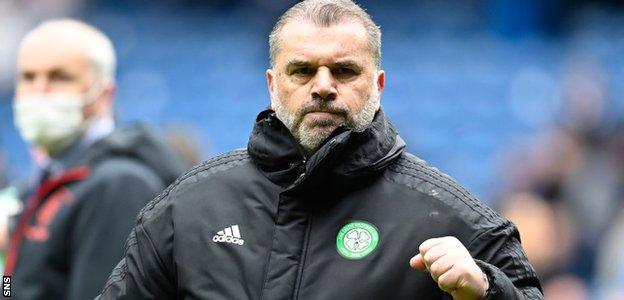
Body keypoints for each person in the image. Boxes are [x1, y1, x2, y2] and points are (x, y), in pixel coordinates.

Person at [98, 1, 543, 299]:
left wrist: (486, 291)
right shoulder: (188, 207)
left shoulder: (452, 218)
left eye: (345, 70)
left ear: (378, 85)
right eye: (303, 70)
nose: (324, 86)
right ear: (273, 85)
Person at [4, 19, 188, 300]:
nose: (39, 90)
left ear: (104, 94)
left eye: (59, 77)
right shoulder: (53, 179)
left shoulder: (119, 184)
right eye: (28, 77)